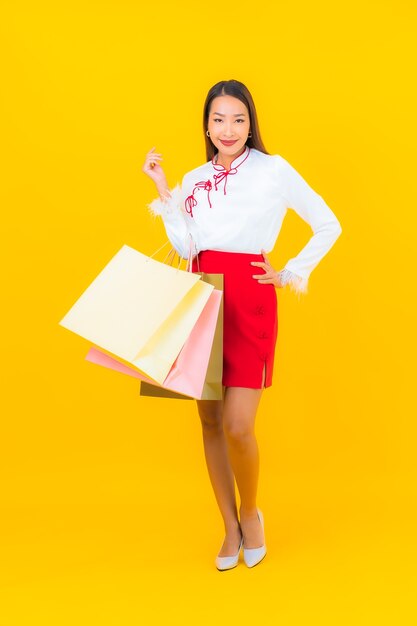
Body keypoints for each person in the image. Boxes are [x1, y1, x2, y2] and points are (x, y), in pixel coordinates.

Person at [141, 79, 342, 571]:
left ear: (251, 123)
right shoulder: (192, 178)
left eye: (238, 119)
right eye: (218, 119)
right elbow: (188, 248)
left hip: (249, 297)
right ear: (206, 125)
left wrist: (290, 271)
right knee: (208, 419)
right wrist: (165, 189)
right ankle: (228, 526)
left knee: (237, 424)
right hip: (200, 294)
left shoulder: (274, 171)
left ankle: (251, 513)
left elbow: (328, 223)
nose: (227, 129)